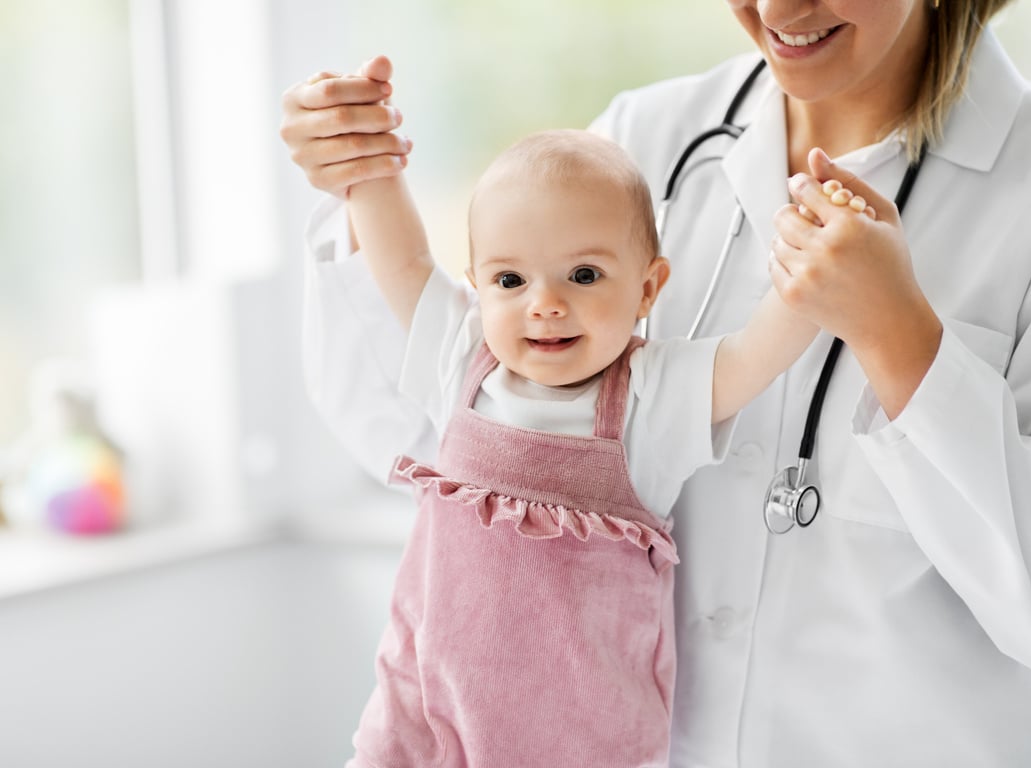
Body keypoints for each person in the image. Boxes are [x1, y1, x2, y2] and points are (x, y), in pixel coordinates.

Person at [280, 1, 1031, 765]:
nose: (777, 4)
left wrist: (902, 342)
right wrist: (358, 178)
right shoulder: (640, 143)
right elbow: (430, 434)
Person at [334, 72, 847, 763]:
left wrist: (817, 263)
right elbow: (398, 259)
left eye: (583, 276)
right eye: (510, 281)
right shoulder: (462, 357)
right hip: (427, 720)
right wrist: (368, 156)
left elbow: (755, 356)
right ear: (478, 285)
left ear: (647, 288)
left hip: (581, 742)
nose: (544, 303)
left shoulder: (650, 397)